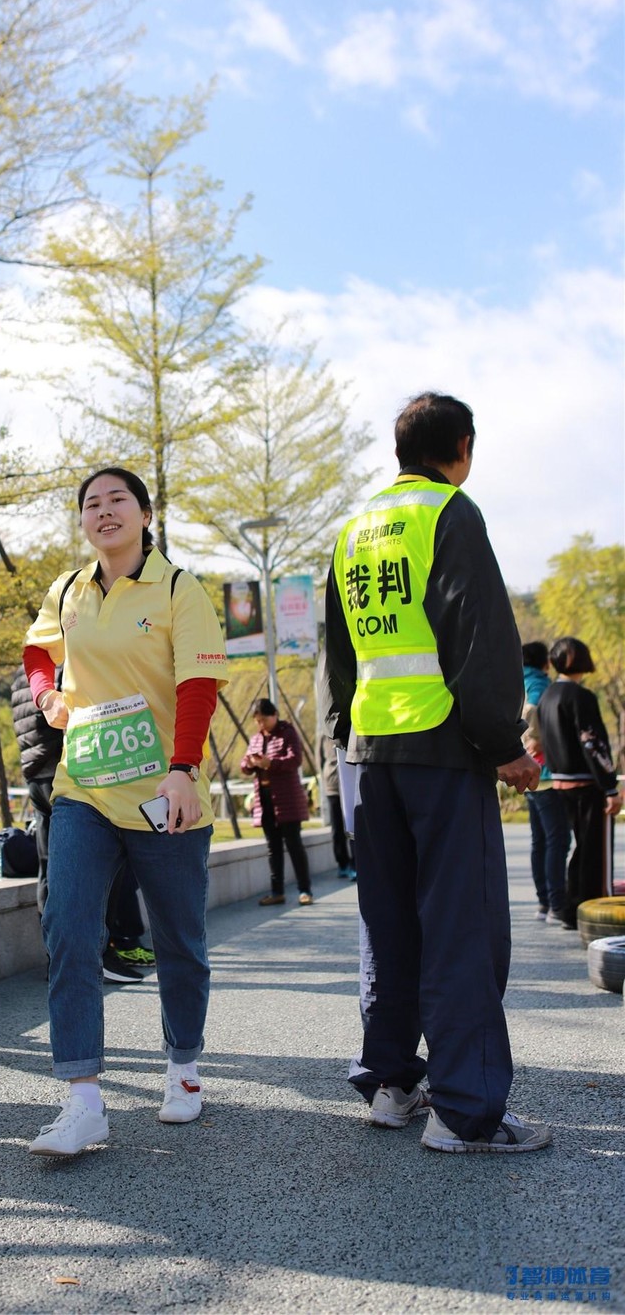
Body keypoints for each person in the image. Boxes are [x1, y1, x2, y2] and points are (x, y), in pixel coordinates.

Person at [321, 391, 552, 1154]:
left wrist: (341, 744)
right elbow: (479, 636)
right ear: (463, 447)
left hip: (371, 756)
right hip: (442, 752)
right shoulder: (451, 512)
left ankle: (393, 1085)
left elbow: (339, 659)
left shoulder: (353, 531)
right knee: (461, 928)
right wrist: (504, 745)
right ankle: (465, 1112)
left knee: (386, 926)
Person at [21, 466, 228, 1156]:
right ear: (82, 520)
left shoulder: (178, 589)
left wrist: (182, 769)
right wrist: (49, 696)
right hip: (85, 787)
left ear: (145, 512)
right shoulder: (69, 590)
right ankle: (82, 1099)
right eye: (91, 504)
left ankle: (185, 1069)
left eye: (117, 501)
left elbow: (199, 681)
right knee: (70, 928)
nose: (103, 512)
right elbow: (37, 648)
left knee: (177, 941)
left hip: (164, 792)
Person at [10, 664, 157, 985]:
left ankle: (57, 957)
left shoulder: (25, 673)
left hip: (36, 775)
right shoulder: (66, 666)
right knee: (102, 866)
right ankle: (98, 954)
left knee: (49, 868)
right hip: (69, 774)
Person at [537, 637, 621, 930]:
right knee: (595, 851)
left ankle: (572, 910)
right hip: (586, 784)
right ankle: (592, 912)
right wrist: (610, 786)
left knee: (580, 848)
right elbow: (593, 743)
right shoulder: (580, 697)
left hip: (559, 782)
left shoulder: (548, 696)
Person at [240, 698, 313, 906]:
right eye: (257, 721)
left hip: (286, 798)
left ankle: (305, 890)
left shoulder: (287, 733)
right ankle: (277, 891)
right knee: (273, 847)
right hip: (264, 799)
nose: (261, 724)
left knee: (294, 845)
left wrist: (271, 763)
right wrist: (250, 763)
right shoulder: (256, 739)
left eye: (263, 719)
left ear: (274, 715)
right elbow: (244, 765)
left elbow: (295, 760)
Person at [521, 641, 571, 924]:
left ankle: (544, 903)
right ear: (546, 663)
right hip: (546, 774)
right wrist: (535, 740)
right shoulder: (539, 684)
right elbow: (532, 713)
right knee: (558, 840)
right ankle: (556, 904)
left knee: (540, 840)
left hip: (529, 776)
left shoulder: (517, 682)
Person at [320, 732, 356, 880]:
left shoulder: (350, 728)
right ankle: (342, 864)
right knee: (337, 827)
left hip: (349, 782)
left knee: (353, 826)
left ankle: (356, 865)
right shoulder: (324, 735)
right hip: (333, 785)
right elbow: (320, 759)